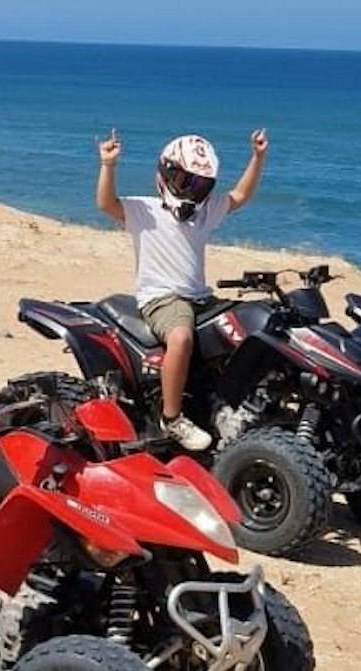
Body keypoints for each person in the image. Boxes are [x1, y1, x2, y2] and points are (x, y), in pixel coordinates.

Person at [95, 127, 269, 452]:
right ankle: (172, 418)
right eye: (188, 181)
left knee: (244, 332)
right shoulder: (143, 210)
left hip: (200, 297)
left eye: (203, 184)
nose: (195, 190)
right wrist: (108, 165)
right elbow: (106, 203)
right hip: (162, 298)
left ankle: (226, 402)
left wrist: (258, 157)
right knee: (181, 338)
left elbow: (240, 196)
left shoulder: (203, 213)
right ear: (168, 173)